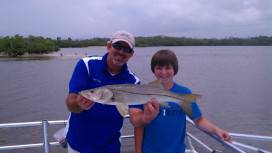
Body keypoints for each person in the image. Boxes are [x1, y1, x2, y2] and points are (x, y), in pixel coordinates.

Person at [65, 31, 159, 153]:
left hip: (110, 147)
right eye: (118, 46)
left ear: (131, 54)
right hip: (78, 146)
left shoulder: (133, 81)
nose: (121, 52)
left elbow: (135, 117)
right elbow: (70, 103)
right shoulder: (87, 64)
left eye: (126, 49)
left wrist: (146, 118)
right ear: (109, 46)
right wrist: (78, 104)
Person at [130, 49, 231, 153]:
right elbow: (139, 125)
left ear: (175, 69)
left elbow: (198, 120)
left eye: (168, 68)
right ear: (153, 70)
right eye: (159, 68)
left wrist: (216, 130)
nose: (163, 72)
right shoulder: (142, 91)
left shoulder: (184, 93)